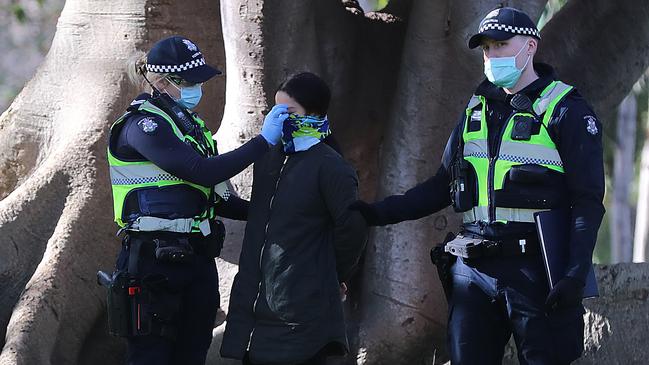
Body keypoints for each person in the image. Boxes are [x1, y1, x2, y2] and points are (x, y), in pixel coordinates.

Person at [350, 7, 605, 365]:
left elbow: (588, 201)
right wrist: (374, 214)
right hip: (473, 272)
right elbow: (442, 185)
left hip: (535, 269)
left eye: (501, 45)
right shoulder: (475, 109)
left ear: (530, 47)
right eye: (486, 48)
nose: (491, 56)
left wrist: (574, 275)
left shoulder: (566, 109)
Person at [106, 35, 288, 365]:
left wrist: (272, 212)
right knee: (151, 356)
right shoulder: (144, 126)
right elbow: (200, 171)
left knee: (193, 354)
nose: (197, 89)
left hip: (197, 261)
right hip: (153, 262)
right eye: (189, 82)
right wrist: (263, 141)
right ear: (160, 82)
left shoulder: (193, 129)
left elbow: (219, 198)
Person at [220, 72, 368, 365]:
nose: (280, 119)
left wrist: (329, 274)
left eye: (288, 112)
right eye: (274, 111)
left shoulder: (331, 167)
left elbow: (353, 229)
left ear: (314, 114)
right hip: (256, 312)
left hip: (301, 315)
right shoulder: (268, 157)